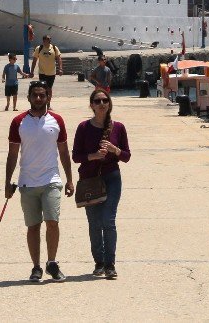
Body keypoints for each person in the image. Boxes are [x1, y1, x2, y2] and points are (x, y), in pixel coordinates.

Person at [4, 81, 75, 282]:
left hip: (51, 179)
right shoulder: (18, 121)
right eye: (34, 95)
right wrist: (8, 182)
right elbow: (12, 154)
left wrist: (70, 179)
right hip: (27, 182)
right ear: (28, 97)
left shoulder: (57, 120)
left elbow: (63, 151)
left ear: (48, 97)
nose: (38, 99)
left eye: (42, 95)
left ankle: (52, 263)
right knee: (33, 226)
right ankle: (36, 267)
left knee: (52, 222)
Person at [71, 90, 131, 279]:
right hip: (89, 179)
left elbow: (127, 156)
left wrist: (115, 150)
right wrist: (93, 156)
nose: (102, 103)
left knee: (108, 220)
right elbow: (76, 156)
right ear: (92, 105)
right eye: (98, 101)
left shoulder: (118, 127)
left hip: (112, 177)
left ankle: (110, 264)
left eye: (105, 100)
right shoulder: (83, 127)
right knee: (95, 223)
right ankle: (99, 262)